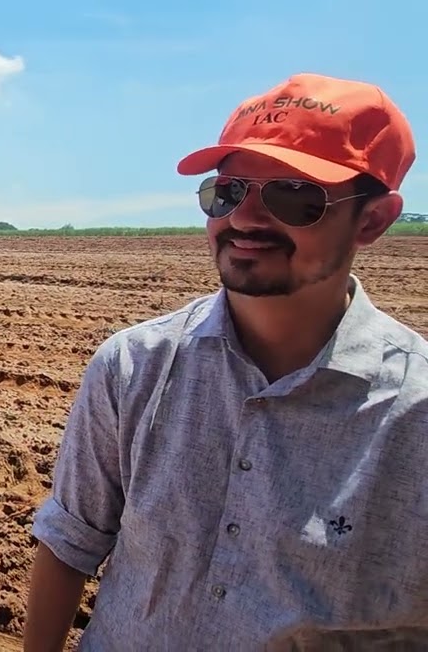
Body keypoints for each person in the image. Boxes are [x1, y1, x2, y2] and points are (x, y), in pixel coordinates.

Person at [22, 72, 428, 651]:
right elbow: (69, 539)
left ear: (374, 219)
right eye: (229, 191)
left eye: (294, 195)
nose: (245, 219)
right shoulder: (134, 367)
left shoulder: (414, 414)